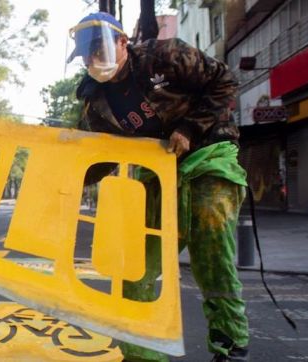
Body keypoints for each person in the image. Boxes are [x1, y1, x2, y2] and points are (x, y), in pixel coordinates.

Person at [67, 12, 249, 362]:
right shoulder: (96, 102)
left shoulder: (163, 57)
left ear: (123, 42)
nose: (94, 60)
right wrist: (67, 181)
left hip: (207, 155)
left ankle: (230, 346)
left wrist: (190, 129)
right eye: (86, 55)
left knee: (212, 244)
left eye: (99, 49)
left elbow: (223, 80)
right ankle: (141, 354)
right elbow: (101, 157)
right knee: (136, 266)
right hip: (155, 175)